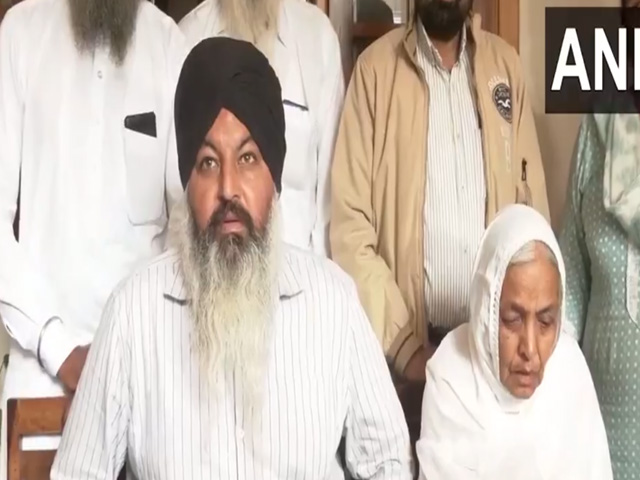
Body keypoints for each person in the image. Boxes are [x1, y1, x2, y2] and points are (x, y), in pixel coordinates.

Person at [51, 37, 413, 479]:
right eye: (207, 162)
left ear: (274, 176)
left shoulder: (334, 304)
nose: (227, 188)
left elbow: (387, 464)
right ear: (187, 181)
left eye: (247, 158)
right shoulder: (132, 314)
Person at [0, 0, 185, 472]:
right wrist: (58, 348)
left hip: (148, 382)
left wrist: (138, 352)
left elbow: (186, 224)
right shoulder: (21, 33)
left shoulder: (168, 44)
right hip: (40, 374)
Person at [330, 0, 549, 386]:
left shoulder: (505, 66)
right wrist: (407, 350)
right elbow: (351, 230)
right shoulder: (374, 73)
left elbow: (533, 220)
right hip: (406, 368)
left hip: (496, 358)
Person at [417, 204, 612, 480]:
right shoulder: (451, 372)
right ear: (485, 311)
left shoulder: (569, 369)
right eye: (512, 319)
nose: (530, 349)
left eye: (545, 322)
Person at [178, 0, 344, 256]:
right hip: (215, 271)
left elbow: (329, 203)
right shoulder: (188, 36)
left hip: (302, 270)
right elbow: (181, 202)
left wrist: (314, 277)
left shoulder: (317, 36)